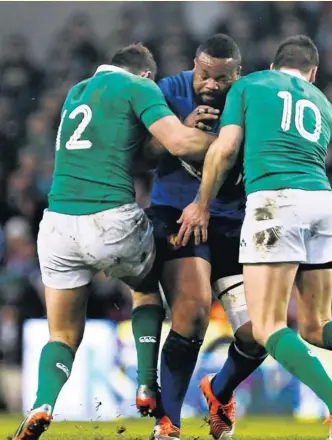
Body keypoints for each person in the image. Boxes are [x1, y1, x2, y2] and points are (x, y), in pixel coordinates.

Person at [177, 35, 332, 440]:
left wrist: (203, 202)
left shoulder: (250, 85)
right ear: (313, 73)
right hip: (324, 205)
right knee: (316, 325)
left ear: (275, 65)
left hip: (276, 203)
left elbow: (225, 149)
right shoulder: (324, 106)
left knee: (268, 327)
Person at [13, 43, 215, 440]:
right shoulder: (140, 88)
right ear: (144, 75)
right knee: (145, 286)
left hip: (57, 225)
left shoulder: (78, 91)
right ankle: (146, 384)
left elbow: (133, 150)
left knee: (63, 335)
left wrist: (177, 127)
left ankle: (42, 403)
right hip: (110, 219)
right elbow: (179, 144)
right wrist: (230, 146)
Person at [136, 34, 267, 440]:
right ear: (195, 63)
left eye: (222, 78)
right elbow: (141, 155)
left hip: (233, 222)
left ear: (237, 74)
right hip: (177, 215)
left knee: (259, 333)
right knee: (192, 314)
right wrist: (174, 135)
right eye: (205, 74)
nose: (211, 85)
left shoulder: (249, 98)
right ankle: (168, 421)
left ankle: (219, 390)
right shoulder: (167, 91)